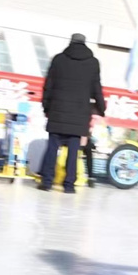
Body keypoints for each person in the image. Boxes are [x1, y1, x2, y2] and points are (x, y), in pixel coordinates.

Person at [39, 33, 106, 193]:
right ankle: (69, 185)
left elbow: (48, 85)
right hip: (79, 114)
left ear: (70, 42)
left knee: (52, 148)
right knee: (73, 150)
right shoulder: (93, 63)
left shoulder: (58, 60)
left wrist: (46, 107)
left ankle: (47, 182)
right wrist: (101, 108)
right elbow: (96, 88)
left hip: (57, 111)